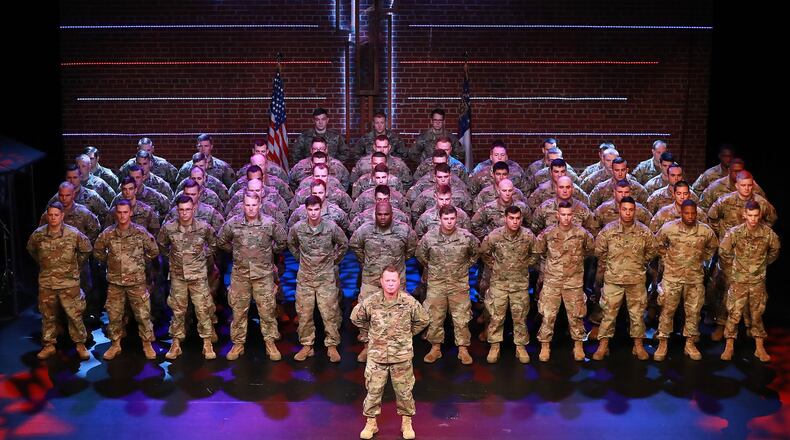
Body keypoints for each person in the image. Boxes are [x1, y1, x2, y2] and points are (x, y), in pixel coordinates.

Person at [351, 266, 429, 440]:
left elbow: (423, 320)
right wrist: (372, 332)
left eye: (394, 280)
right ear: (381, 282)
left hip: (401, 356)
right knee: (373, 390)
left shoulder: (409, 302)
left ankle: (406, 422)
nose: (391, 284)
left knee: (404, 392)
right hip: (377, 356)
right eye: (387, 280)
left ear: (399, 282)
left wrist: (407, 334)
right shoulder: (372, 301)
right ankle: (371, 423)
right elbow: (356, 318)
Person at [217, 191, 287, 361]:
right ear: (243, 205)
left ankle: (270, 343)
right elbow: (221, 240)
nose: (250, 208)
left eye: (254, 205)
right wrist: (236, 252)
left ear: (260, 205)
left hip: (263, 275)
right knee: (239, 311)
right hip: (241, 275)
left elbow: (282, 241)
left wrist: (269, 253)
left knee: (267, 311)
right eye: (247, 205)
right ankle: (238, 343)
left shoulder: (269, 224)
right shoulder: (233, 223)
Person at [349, 201, 417, 362]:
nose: (383, 217)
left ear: (392, 214)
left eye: (386, 214)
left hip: (395, 281)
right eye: (380, 214)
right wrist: (366, 262)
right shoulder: (365, 230)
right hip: (371, 280)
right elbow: (354, 245)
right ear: (375, 214)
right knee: (365, 314)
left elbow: (412, 248)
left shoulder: (403, 229)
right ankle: (367, 347)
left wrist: (399, 263)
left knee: (398, 315)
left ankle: (395, 348)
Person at [592, 197, 658, 361]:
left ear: (634, 211)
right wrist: (613, 265)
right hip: (613, 280)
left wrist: (640, 262)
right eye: (624, 209)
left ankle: (638, 345)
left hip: (636, 280)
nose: (627, 213)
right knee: (608, 314)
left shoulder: (643, 231)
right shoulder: (609, 230)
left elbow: (652, 251)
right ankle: (603, 345)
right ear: (619, 210)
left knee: (637, 315)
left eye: (631, 210)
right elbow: (599, 251)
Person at [93, 199, 160, 360]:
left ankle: (147, 343)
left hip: (136, 282)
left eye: (125, 212)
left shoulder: (140, 232)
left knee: (143, 315)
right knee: (114, 315)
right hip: (115, 283)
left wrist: (140, 262)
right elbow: (98, 252)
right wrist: (110, 262)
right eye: (120, 212)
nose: (122, 216)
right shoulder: (108, 233)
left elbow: (154, 250)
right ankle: (115, 344)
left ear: (130, 212)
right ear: (116, 213)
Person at [653, 200, 718, 361]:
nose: (690, 216)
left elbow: (712, 247)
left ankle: (690, 342)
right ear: (681, 213)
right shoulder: (669, 228)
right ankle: (663, 342)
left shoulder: (705, 230)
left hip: (694, 278)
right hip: (672, 277)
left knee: (694, 312)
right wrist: (667, 259)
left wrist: (702, 259)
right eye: (687, 213)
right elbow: (658, 244)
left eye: (693, 213)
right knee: (667, 310)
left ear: (696, 213)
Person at [27, 202, 93, 360]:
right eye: (50, 215)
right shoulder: (38, 234)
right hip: (47, 282)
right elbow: (32, 250)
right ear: (47, 216)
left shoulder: (73, 233)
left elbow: (86, 249)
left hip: (68, 282)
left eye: (56, 215)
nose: (53, 218)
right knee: (48, 315)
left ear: (62, 216)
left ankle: (80, 344)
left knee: (74, 314)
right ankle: (49, 345)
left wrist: (76, 266)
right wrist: (44, 265)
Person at [288, 195, 349, 362]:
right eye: (310, 209)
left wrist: (333, 260)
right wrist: (301, 259)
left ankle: (332, 345)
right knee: (304, 313)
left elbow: (344, 244)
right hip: (305, 277)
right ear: (306, 210)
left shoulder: (330, 227)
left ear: (321, 209)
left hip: (326, 277)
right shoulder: (298, 228)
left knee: (330, 312)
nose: (313, 213)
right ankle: (307, 345)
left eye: (316, 209)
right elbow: (291, 243)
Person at [157, 195, 218, 360]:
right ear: (177, 210)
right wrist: (172, 258)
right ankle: (176, 343)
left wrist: (203, 256)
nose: (185, 213)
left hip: (198, 276)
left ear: (193, 209)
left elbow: (214, 243)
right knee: (178, 311)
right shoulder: (169, 228)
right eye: (181, 210)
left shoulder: (203, 227)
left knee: (203, 310)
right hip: (178, 276)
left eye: (188, 209)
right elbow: (161, 245)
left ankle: (207, 343)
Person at [417, 205, 480, 365]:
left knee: (462, 318)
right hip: (437, 283)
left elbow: (475, 254)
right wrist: (434, 268)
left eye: (452, 218)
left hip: (458, 284)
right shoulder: (429, 237)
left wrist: (464, 267)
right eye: (446, 219)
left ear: (456, 219)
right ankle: (435, 348)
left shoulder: (466, 237)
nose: (449, 222)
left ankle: (463, 348)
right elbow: (421, 256)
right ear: (440, 219)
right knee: (435, 316)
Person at [719, 201, 781, 362]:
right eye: (750, 215)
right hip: (738, 280)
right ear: (744, 215)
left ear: (759, 215)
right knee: (734, 313)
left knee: (757, 314)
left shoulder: (767, 234)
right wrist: (732, 271)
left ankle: (759, 347)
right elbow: (724, 252)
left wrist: (762, 265)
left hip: (757, 281)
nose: (753, 219)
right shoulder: (735, 233)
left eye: (756, 215)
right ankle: (729, 346)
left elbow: (775, 250)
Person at [533, 201, 594, 361]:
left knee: (576, 315)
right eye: (563, 215)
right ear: (557, 215)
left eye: (569, 215)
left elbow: (589, 250)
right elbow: (539, 252)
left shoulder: (582, 234)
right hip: (552, 281)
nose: (566, 218)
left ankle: (578, 345)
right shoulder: (548, 233)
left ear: (572, 215)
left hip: (573, 281)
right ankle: (545, 345)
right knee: (548, 315)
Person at [479, 205, 539, 363]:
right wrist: (495, 266)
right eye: (511, 218)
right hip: (499, 283)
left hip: (519, 284)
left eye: (518, 218)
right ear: (505, 218)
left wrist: (526, 264)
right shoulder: (495, 235)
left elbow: (536, 253)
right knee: (496, 317)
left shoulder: (527, 235)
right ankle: (495, 345)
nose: (515, 222)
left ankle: (520, 346)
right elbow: (484, 252)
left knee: (520, 317)